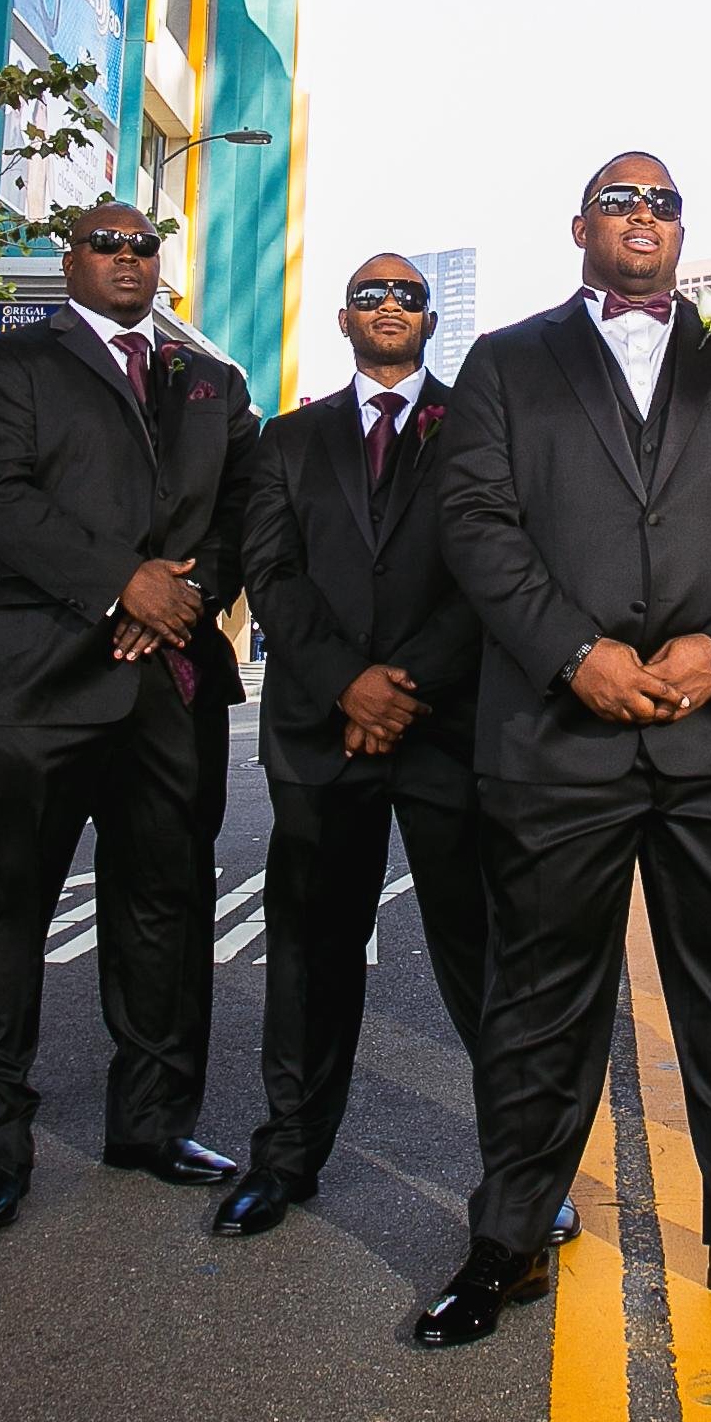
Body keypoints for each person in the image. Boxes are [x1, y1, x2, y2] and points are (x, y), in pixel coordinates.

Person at [413, 153, 711, 1349]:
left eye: (663, 202)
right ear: (578, 226)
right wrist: (574, 652)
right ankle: (505, 1239)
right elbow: (476, 520)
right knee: (538, 1005)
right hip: (555, 737)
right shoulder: (506, 360)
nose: (644, 217)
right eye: (621, 199)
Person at [0, 198, 259, 1234]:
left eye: (143, 245)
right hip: (37, 682)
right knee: (7, 911)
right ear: (70, 259)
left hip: (168, 691)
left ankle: (153, 1121)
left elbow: (245, 511)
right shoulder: (4, 369)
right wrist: (123, 584)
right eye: (106, 243)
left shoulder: (213, 381)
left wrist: (191, 593)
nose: (129, 257)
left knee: (163, 909)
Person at [224, 254, 536, 1243]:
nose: (390, 305)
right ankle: (286, 1157)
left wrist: (403, 685)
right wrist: (344, 681)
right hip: (322, 737)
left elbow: (489, 570)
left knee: (480, 959)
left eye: (406, 294)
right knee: (311, 957)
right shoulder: (289, 438)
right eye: (372, 293)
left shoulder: (480, 430)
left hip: (445, 731)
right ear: (343, 318)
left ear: (431, 318)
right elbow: (270, 573)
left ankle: (520, 1178)